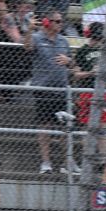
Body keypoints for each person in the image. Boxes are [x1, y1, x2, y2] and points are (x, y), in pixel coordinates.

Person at [26, 11, 73, 174]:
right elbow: (27, 47)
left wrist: (69, 61)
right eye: (57, 21)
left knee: (65, 127)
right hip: (43, 89)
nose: (60, 24)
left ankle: (67, 162)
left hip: (61, 89)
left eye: (61, 21)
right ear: (47, 22)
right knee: (45, 125)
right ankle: (46, 162)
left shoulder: (63, 40)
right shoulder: (37, 37)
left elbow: (73, 65)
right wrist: (29, 30)